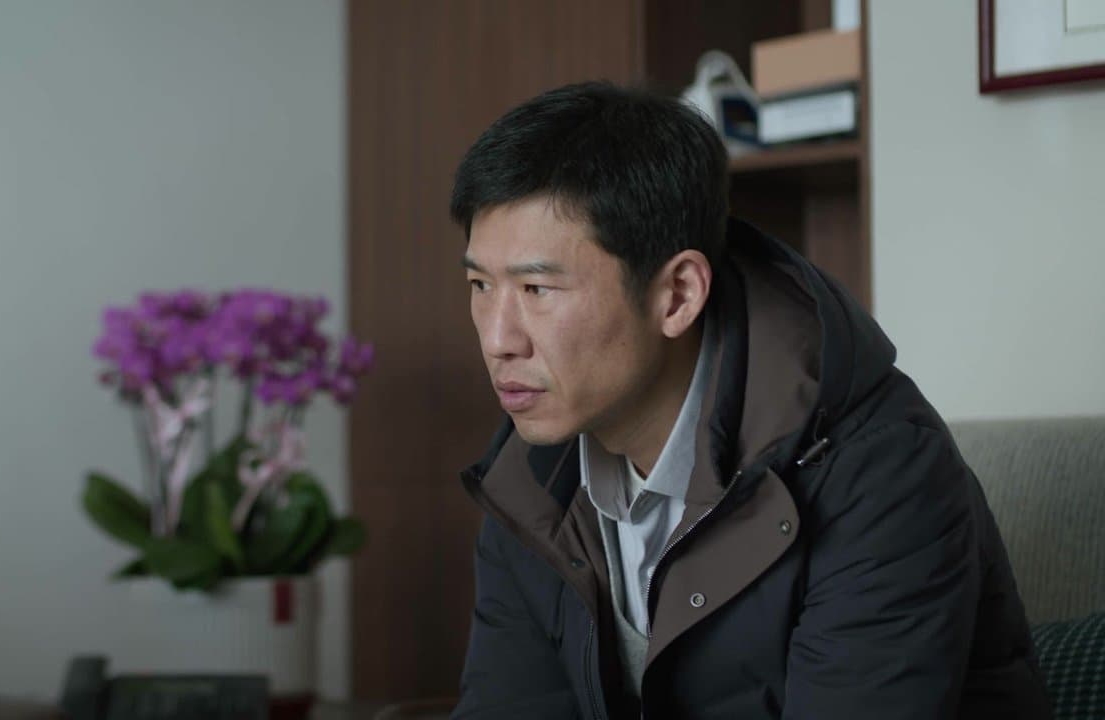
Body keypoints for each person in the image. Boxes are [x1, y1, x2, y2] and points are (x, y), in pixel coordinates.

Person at [447, 81, 1050, 719]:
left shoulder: (881, 473)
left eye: (537, 290)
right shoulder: (529, 478)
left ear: (678, 295)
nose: (497, 339)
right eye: (480, 285)